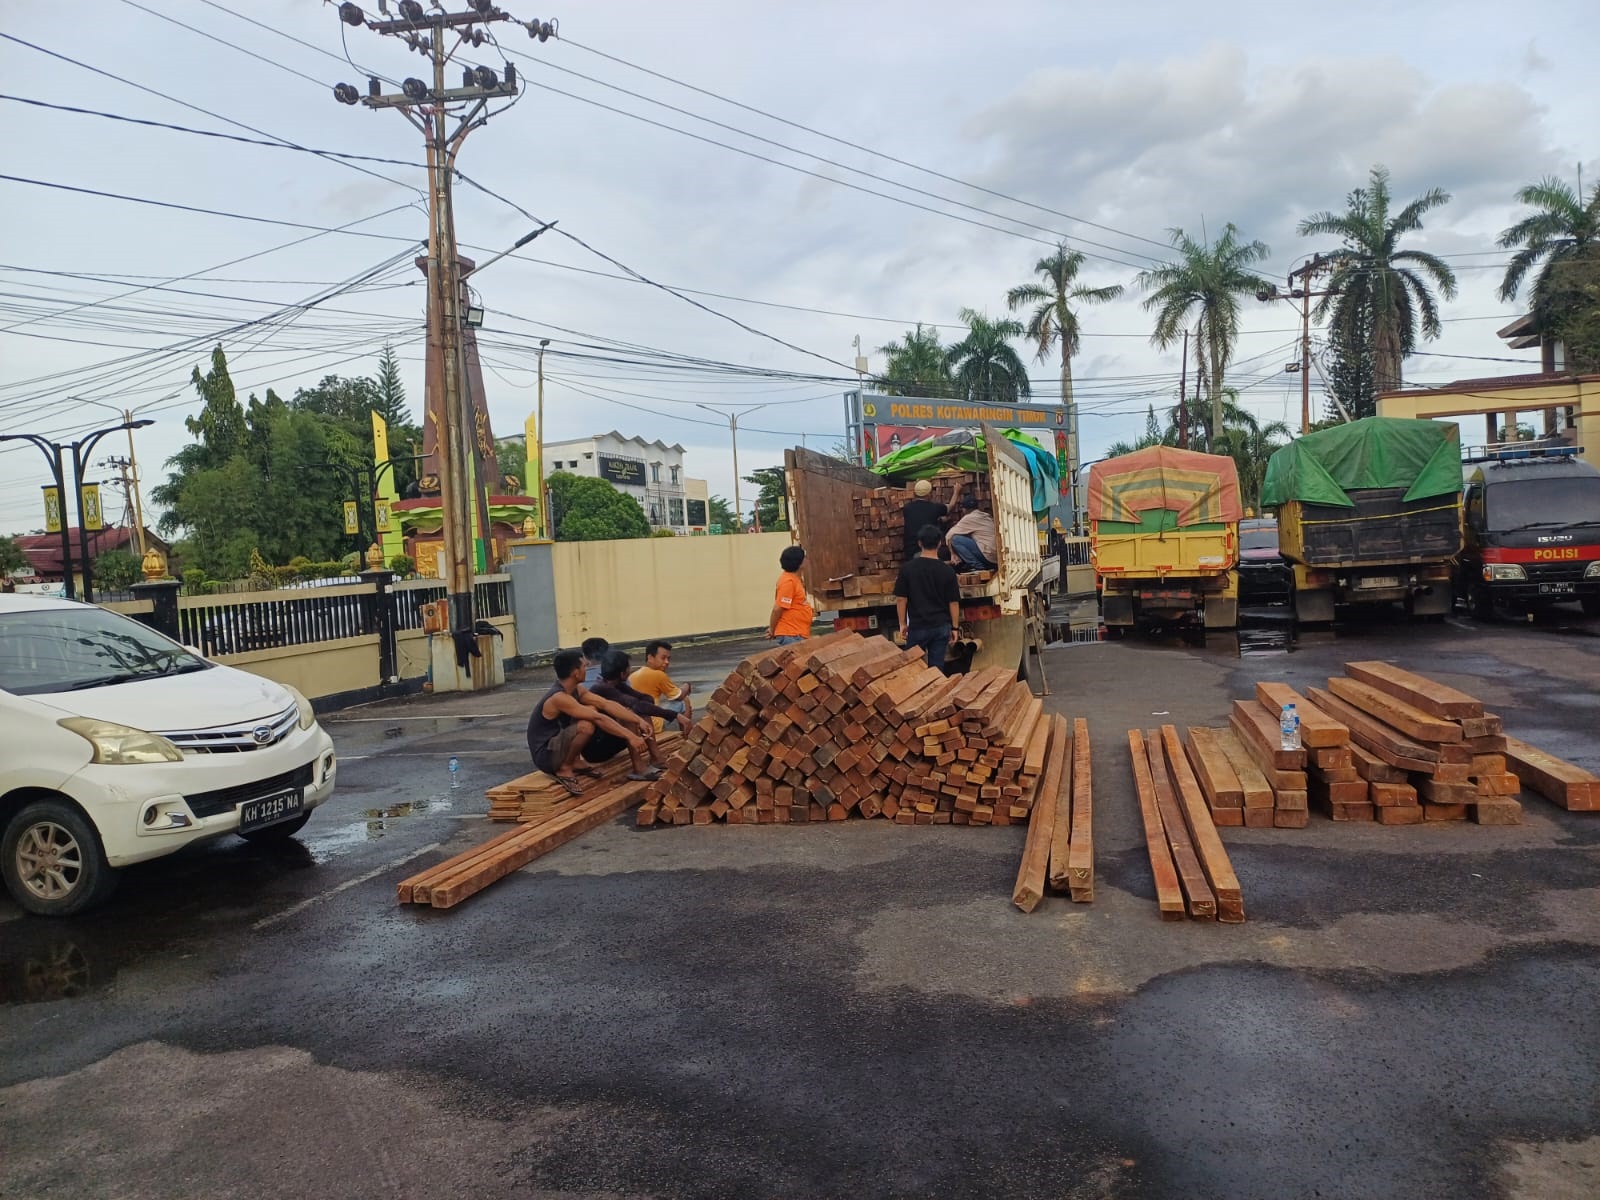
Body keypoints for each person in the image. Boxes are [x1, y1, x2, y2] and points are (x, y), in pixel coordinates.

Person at [526, 648, 658, 795]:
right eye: (583, 665)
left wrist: (637, 720)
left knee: (593, 708)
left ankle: (574, 761)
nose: (587, 667)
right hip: (546, 755)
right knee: (586, 725)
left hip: (558, 745)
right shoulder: (558, 698)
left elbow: (606, 704)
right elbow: (598, 718)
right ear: (575, 672)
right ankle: (564, 768)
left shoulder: (577, 690)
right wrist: (631, 736)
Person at [590, 648, 691, 751]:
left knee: (641, 709)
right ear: (622, 673)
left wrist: (642, 705)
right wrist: (675, 715)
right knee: (631, 715)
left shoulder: (617, 684)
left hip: (615, 735)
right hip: (600, 744)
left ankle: (656, 755)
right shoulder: (603, 688)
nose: (666, 662)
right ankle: (645, 761)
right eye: (663, 658)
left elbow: (645, 698)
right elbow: (639, 703)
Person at [895, 524, 961, 673]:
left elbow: (901, 599)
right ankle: (935, 692)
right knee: (936, 669)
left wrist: (902, 624)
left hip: (917, 627)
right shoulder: (947, 571)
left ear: (919, 543)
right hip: (940, 627)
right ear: (939, 543)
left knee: (912, 668)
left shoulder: (907, 569)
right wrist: (955, 627)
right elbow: (953, 602)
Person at [629, 639, 692, 731]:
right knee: (683, 701)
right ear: (650, 658)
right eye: (663, 658)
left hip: (636, 724)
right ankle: (688, 737)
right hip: (653, 724)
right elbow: (679, 696)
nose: (667, 662)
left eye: (668, 659)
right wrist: (687, 685)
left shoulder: (634, 675)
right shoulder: (658, 675)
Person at [766, 544, 814, 645]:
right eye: (804, 557)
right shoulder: (788, 582)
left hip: (797, 633)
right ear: (799, 563)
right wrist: (772, 629)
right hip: (791, 635)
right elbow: (778, 608)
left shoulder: (795, 579)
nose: (807, 559)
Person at [901, 478, 950, 560]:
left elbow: (920, 518)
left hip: (909, 552)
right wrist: (957, 491)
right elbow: (950, 507)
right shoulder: (935, 508)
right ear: (929, 494)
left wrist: (939, 520)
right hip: (927, 551)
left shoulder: (907, 508)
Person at [947, 495, 998, 572]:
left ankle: (978, 567)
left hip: (988, 555)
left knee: (955, 539)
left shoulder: (969, 518)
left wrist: (952, 554)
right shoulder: (985, 516)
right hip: (996, 558)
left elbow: (948, 536)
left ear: (964, 509)